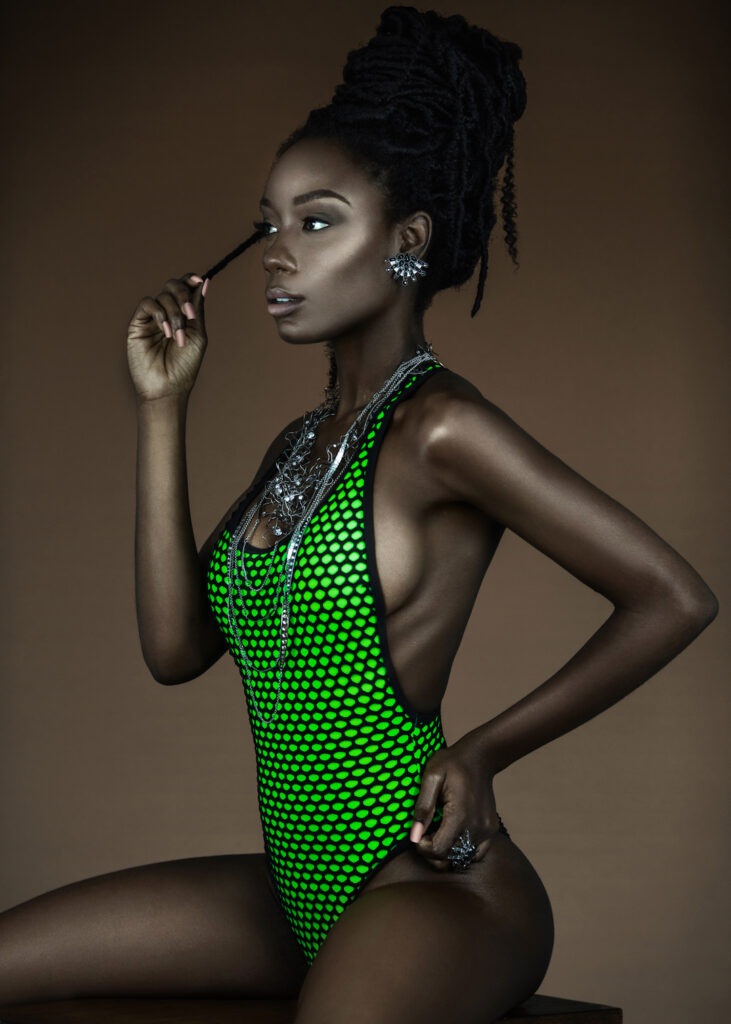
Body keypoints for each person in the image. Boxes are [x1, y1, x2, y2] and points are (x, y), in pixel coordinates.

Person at [0, 6, 718, 1023]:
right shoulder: (295, 447)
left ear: (406, 240)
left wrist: (479, 752)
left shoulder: (440, 429)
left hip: (433, 888)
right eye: (271, 221)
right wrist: (163, 409)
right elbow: (173, 648)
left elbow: (673, 598)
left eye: (318, 220)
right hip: (297, 892)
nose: (277, 254)